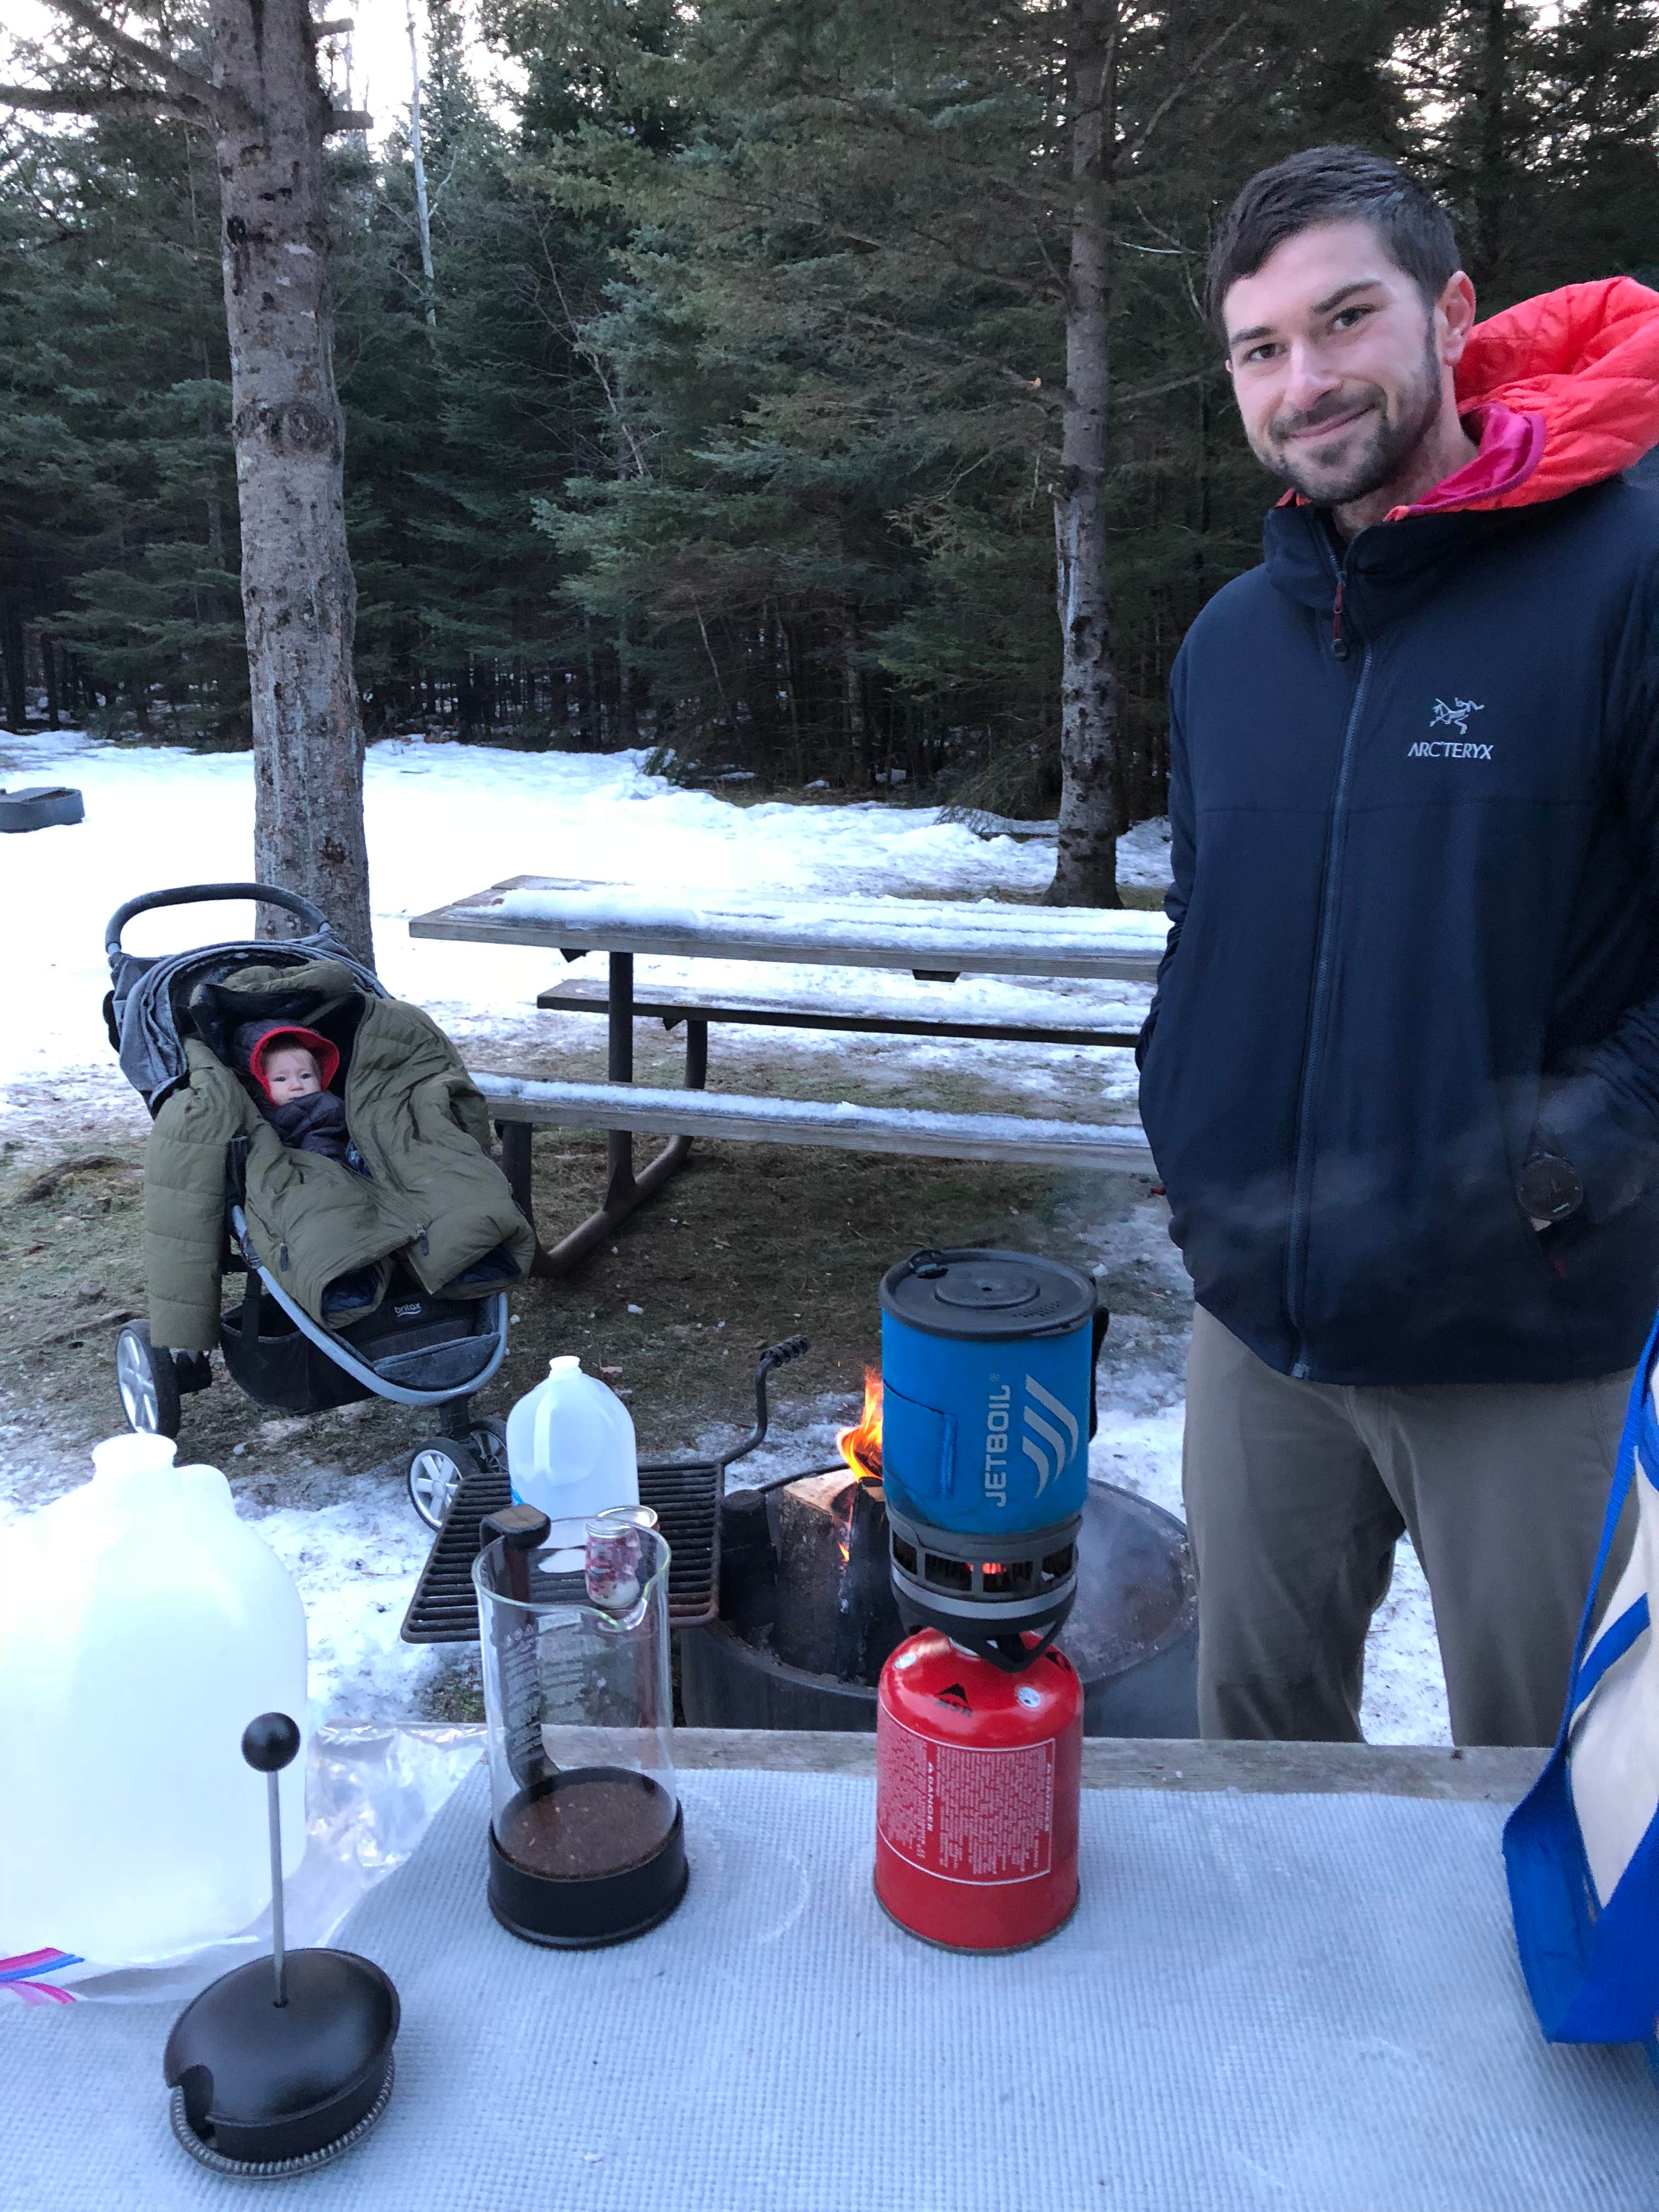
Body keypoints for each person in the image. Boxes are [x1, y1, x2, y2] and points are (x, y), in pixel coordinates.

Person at [1137, 144, 1659, 1748]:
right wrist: (1193, 1124)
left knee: (1560, 1791)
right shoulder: (1234, 644)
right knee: (1256, 1765)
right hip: (1259, 1334)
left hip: (1522, 1337)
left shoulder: (1627, 578)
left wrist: (1559, 1170)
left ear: (1450, 311)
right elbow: (1205, 924)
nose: (1308, 379)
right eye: (1262, 347)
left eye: (1346, 319)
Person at [234, 1023, 360, 1168]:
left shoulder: (325, 1114)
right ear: (260, 1085)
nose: (297, 1086)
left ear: (320, 1078)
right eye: (281, 1079)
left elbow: (329, 1169)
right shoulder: (254, 1116)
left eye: (306, 1076)